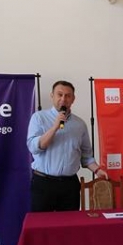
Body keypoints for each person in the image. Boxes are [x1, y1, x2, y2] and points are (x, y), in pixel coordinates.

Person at [27, 80, 107, 212]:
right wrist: (55, 127)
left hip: (69, 185)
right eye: (60, 94)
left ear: (73, 99)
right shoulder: (39, 118)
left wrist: (97, 170)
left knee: (69, 223)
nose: (63, 99)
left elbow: (86, 156)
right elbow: (35, 147)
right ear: (52, 96)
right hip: (43, 183)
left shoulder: (80, 124)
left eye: (68, 96)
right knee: (41, 223)